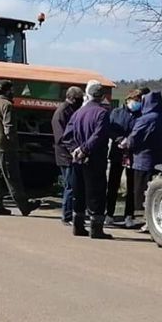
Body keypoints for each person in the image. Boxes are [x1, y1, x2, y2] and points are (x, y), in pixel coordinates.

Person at [62, 81, 112, 239]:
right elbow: (99, 135)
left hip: (77, 159)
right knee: (96, 193)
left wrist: (75, 150)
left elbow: (67, 135)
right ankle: (96, 229)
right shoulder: (102, 113)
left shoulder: (78, 113)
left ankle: (78, 226)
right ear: (102, 96)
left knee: (79, 192)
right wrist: (85, 150)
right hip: (94, 159)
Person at [0, 80, 38, 216]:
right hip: (6, 147)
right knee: (12, 177)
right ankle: (24, 206)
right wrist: (14, 143)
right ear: (8, 91)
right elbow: (9, 128)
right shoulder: (7, 106)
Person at [127, 91, 162, 227]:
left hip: (144, 161)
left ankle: (144, 220)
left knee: (142, 193)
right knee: (157, 192)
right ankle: (155, 219)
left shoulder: (145, 119)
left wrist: (127, 143)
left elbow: (134, 139)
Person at [106, 90, 141, 227]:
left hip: (133, 154)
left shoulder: (141, 115)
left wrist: (130, 141)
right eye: (135, 100)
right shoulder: (116, 113)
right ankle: (109, 214)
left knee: (132, 187)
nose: (137, 103)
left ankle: (129, 216)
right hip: (117, 152)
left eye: (139, 101)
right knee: (113, 185)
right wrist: (119, 139)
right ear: (128, 100)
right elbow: (109, 129)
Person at [52, 86, 84, 225]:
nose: (81, 102)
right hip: (65, 155)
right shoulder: (62, 112)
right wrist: (73, 150)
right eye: (78, 99)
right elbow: (62, 137)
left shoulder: (72, 109)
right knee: (70, 186)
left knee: (73, 185)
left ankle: (71, 213)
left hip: (70, 153)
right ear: (71, 98)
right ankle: (67, 216)